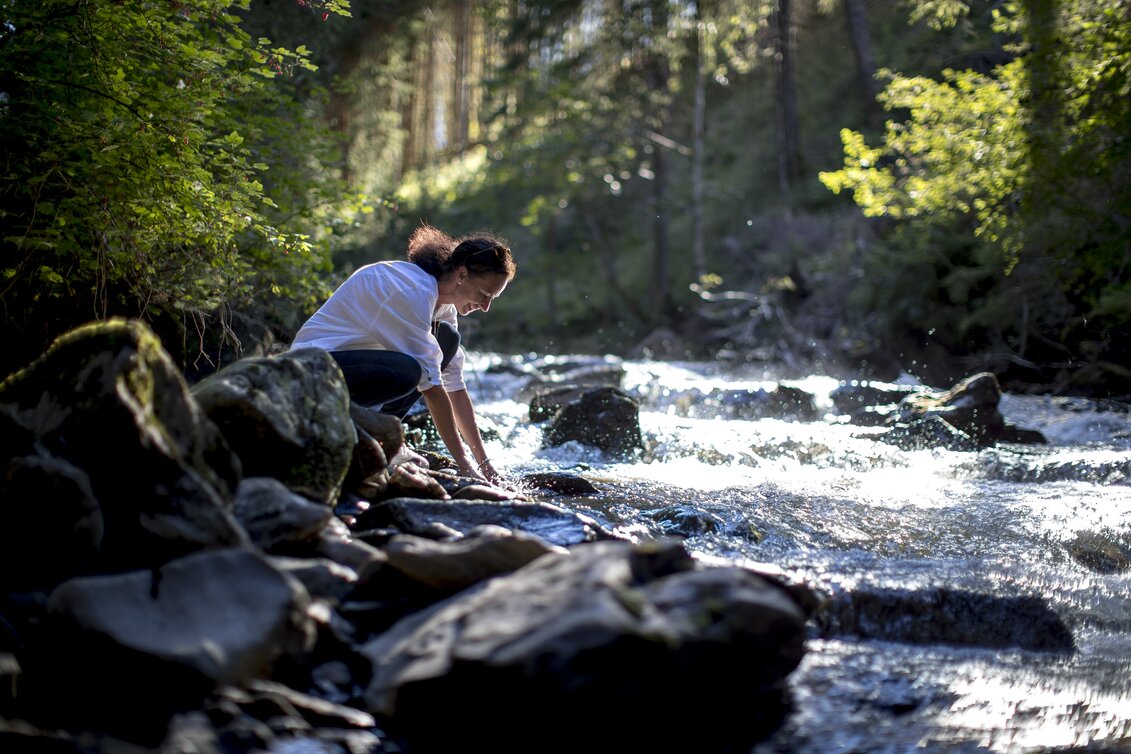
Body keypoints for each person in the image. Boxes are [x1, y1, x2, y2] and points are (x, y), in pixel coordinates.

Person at [291, 223, 516, 484]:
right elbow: (432, 388)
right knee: (409, 372)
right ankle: (377, 436)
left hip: (349, 370)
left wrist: (485, 465)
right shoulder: (410, 292)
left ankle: (380, 436)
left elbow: (454, 387)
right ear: (462, 274)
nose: (486, 307)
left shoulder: (443, 307)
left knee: (447, 339)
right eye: (484, 294)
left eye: (493, 299)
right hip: (310, 374)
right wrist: (466, 468)